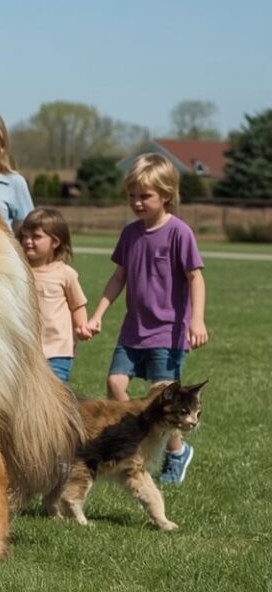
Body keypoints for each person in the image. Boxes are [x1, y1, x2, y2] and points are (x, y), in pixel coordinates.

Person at [85, 153, 208, 485]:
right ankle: (136, 437)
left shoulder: (179, 233)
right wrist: (97, 314)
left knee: (163, 399)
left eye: (145, 196)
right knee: (115, 383)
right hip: (132, 330)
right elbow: (118, 277)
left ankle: (176, 451)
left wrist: (197, 320)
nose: (137, 202)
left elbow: (196, 278)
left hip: (168, 333)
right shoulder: (130, 234)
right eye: (132, 196)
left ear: (166, 195)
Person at [19, 207, 90, 383]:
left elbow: (77, 305)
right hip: (25, 350)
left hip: (57, 351)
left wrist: (81, 325)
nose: (28, 241)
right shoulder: (17, 271)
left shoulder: (65, 274)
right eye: (25, 236)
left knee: (55, 396)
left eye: (36, 236)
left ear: (55, 242)